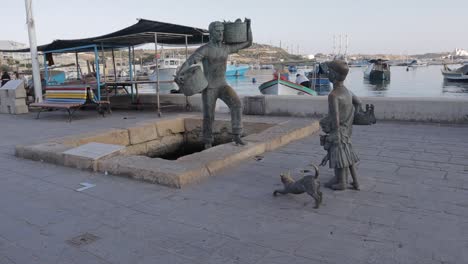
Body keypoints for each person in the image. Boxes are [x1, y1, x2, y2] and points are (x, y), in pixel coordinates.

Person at [176, 20, 252, 149]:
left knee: (237, 105)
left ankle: (237, 135)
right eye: (218, 31)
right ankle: (207, 141)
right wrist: (179, 74)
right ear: (212, 33)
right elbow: (190, 61)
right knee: (209, 115)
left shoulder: (225, 48)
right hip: (209, 87)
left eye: (222, 31)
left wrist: (248, 27)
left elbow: (247, 43)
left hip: (222, 85)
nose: (221, 33)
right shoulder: (205, 49)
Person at [320, 60, 361, 190]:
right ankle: (343, 179)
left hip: (338, 131)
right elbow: (358, 103)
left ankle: (342, 182)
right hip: (347, 129)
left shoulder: (333, 95)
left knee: (339, 156)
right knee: (346, 156)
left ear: (333, 75)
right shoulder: (348, 92)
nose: (326, 74)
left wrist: (333, 133)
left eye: (328, 72)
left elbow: (335, 119)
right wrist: (351, 117)